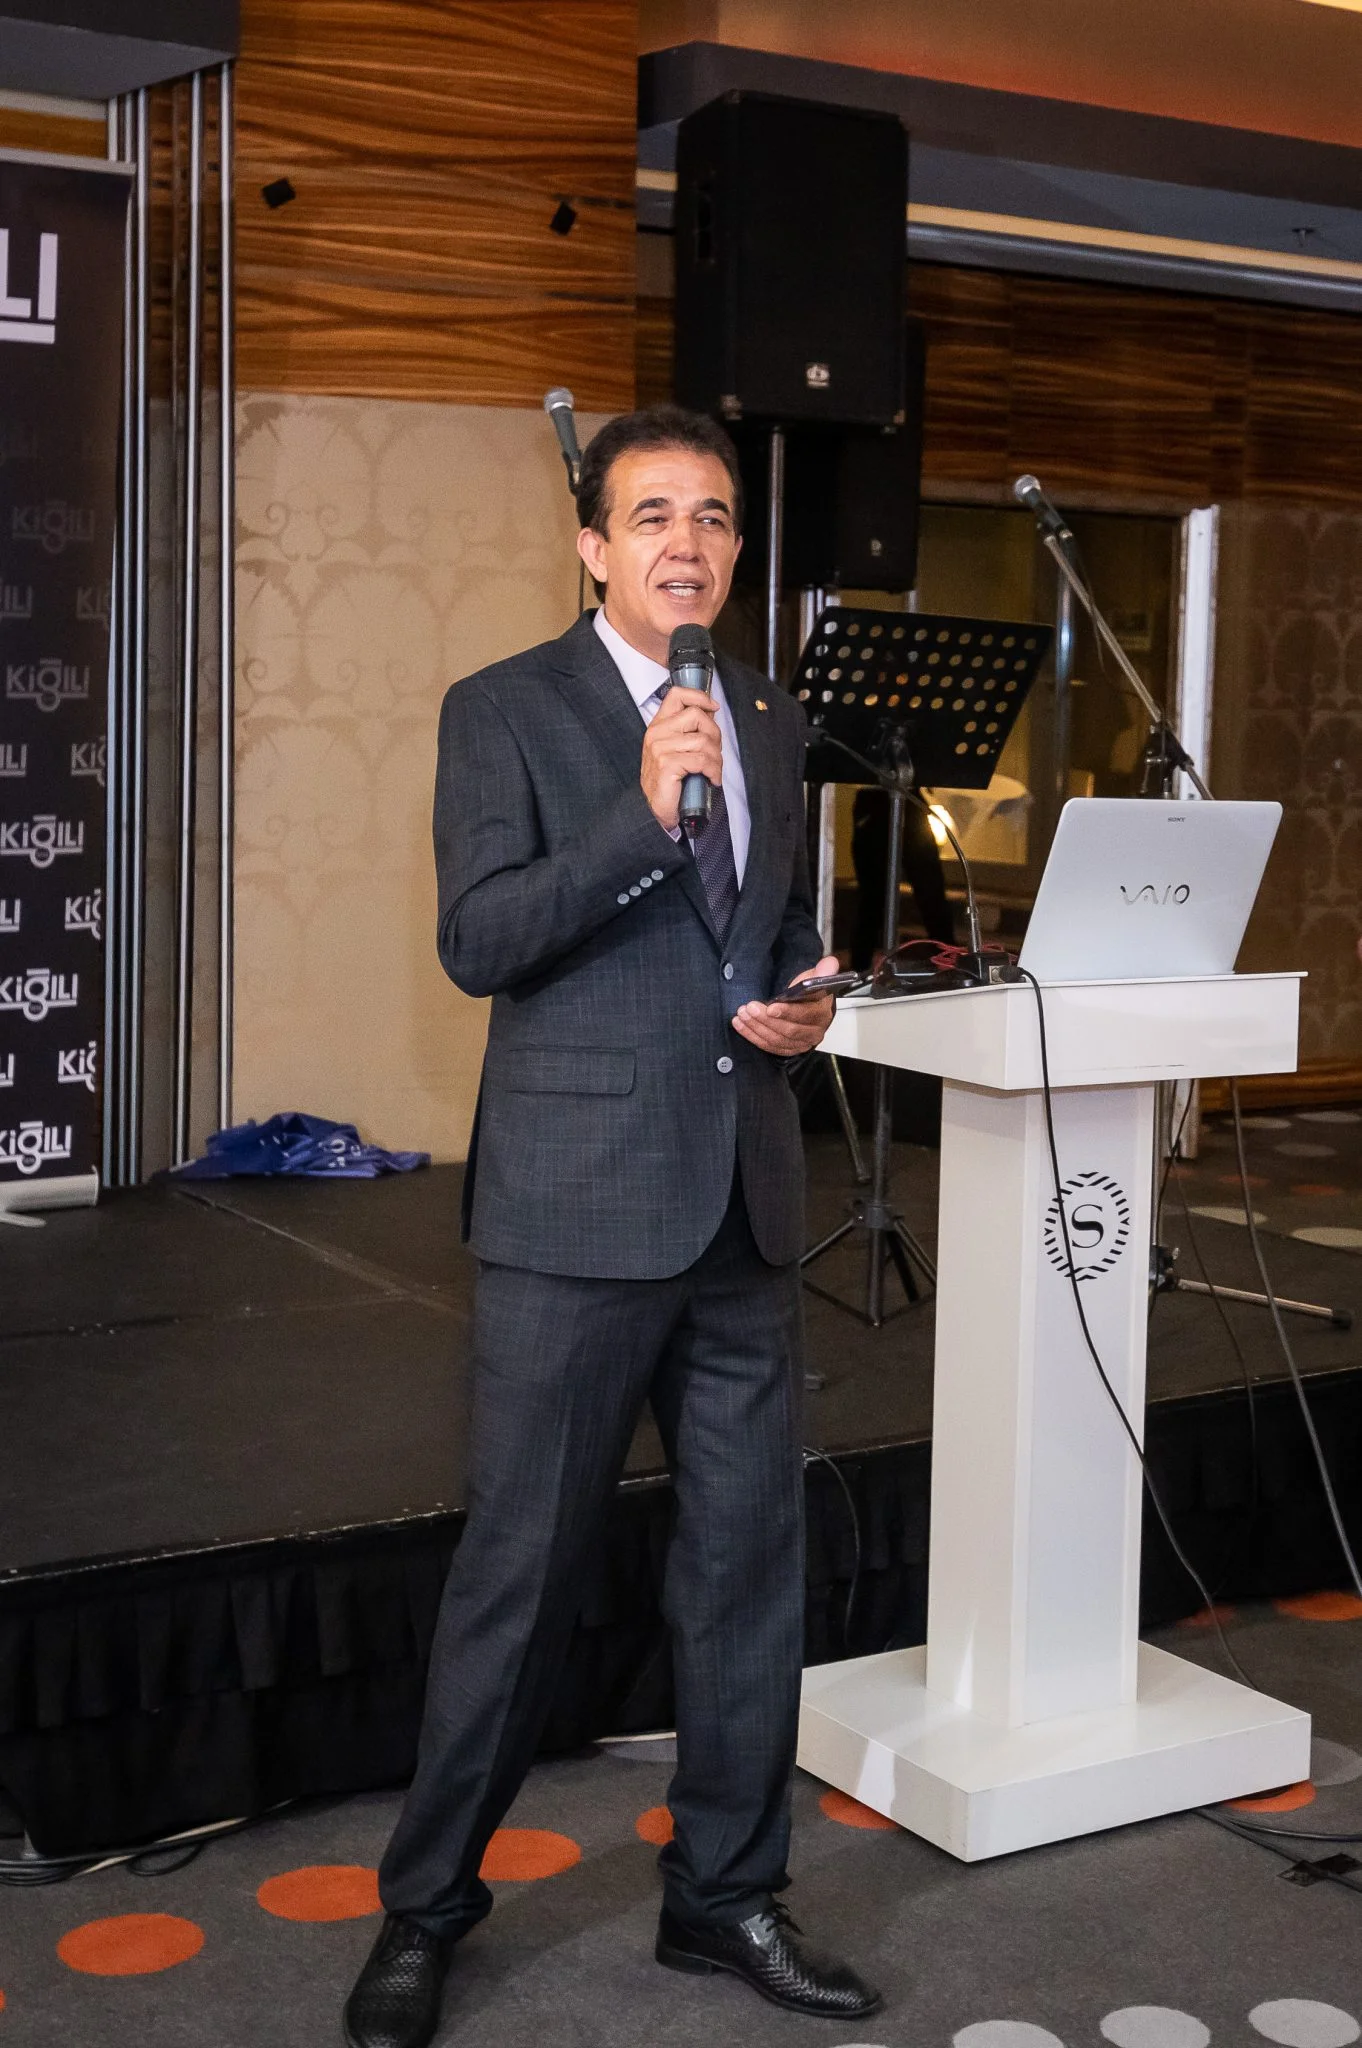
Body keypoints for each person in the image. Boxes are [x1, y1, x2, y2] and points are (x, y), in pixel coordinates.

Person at [342, 405, 882, 2048]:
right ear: (591, 545)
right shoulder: (504, 708)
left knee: (747, 1578)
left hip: (742, 1203)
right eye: (651, 516)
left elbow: (767, 918)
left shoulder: (767, 714)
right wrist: (639, 821)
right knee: (517, 1579)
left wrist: (802, 993)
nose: (685, 544)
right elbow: (480, 939)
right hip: (573, 1214)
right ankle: (426, 1911)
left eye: (711, 517)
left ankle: (724, 1892)